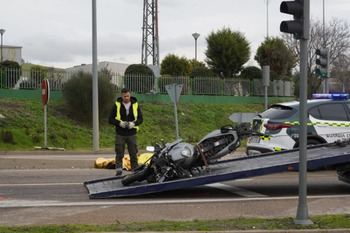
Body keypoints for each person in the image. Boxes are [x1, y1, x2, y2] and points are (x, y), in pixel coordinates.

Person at [108, 87, 143, 176]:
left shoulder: (135, 105)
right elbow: (110, 119)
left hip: (132, 133)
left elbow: (140, 119)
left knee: (133, 153)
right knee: (119, 152)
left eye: (128, 96)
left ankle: (135, 171)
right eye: (124, 96)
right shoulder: (117, 105)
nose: (126, 98)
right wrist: (120, 123)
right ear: (121, 96)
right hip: (120, 133)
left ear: (130, 95)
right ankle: (119, 171)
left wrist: (134, 124)